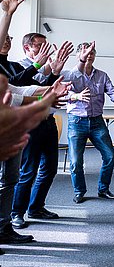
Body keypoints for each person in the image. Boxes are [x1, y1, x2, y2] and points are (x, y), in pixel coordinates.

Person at [11, 31, 73, 229]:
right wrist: (44, 68)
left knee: (50, 168)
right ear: (27, 47)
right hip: (30, 123)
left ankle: (36, 207)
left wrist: (54, 72)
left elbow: (47, 90)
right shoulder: (19, 66)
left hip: (48, 121)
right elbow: (24, 87)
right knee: (28, 171)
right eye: (40, 45)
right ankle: (16, 213)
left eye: (46, 46)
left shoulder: (44, 68)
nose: (46, 50)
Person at [62, 41, 114, 203]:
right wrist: (76, 96)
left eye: (92, 52)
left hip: (97, 122)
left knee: (110, 156)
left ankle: (103, 189)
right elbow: (61, 95)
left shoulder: (102, 75)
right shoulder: (71, 75)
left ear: (95, 56)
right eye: (85, 52)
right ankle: (79, 191)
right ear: (78, 56)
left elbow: (112, 92)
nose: (89, 55)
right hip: (76, 122)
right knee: (76, 162)